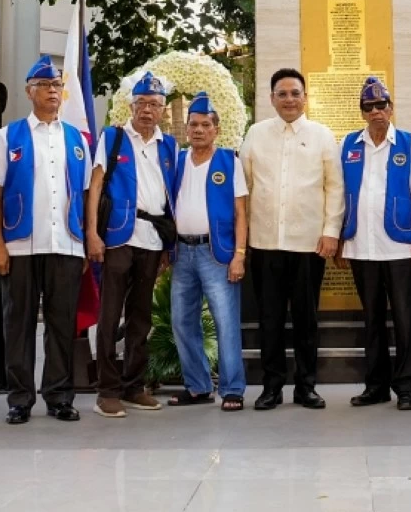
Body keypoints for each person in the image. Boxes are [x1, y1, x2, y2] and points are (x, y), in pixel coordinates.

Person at [0, 55, 90, 425]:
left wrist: (87, 239)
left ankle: (60, 395)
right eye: (45, 86)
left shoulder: (76, 138)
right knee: (19, 324)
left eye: (57, 86)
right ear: (30, 91)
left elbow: (86, 191)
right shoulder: (7, 136)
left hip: (66, 243)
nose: (52, 91)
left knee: (62, 323)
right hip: (19, 244)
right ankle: (19, 398)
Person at [239, 68, 343, 411]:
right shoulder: (255, 134)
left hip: (308, 244)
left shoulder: (322, 135)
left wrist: (330, 232)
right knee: (269, 319)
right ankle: (271, 387)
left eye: (295, 93)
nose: (289, 100)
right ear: (271, 98)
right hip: (265, 242)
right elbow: (246, 187)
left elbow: (334, 187)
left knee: (306, 319)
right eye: (282, 94)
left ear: (305, 97)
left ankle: (306, 386)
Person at [337, 77, 411, 411]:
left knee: (406, 318)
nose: (376, 112)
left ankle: (407, 386)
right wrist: (339, 238)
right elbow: (340, 196)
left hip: (399, 247)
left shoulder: (407, 144)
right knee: (372, 319)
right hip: (361, 247)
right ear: (362, 112)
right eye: (369, 107)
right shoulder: (348, 145)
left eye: (382, 105)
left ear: (391, 108)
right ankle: (375, 385)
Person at [86, 71, 177, 418]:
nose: (148, 110)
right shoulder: (113, 138)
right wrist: (93, 233)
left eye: (155, 104)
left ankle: (134, 385)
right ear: (131, 106)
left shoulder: (168, 146)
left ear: (163, 110)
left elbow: (171, 196)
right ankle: (106, 390)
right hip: (118, 237)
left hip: (152, 240)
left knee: (141, 316)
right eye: (142, 103)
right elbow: (95, 187)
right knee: (110, 314)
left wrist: (169, 245)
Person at [166, 92, 249, 411]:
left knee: (226, 322)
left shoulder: (229, 161)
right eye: (193, 125)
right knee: (182, 321)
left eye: (205, 125)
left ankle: (232, 388)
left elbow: (241, 212)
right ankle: (199, 386)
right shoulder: (179, 160)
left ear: (216, 129)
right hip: (183, 252)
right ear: (186, 129)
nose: (198, 130)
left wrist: (239, 254)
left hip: (217, 253)